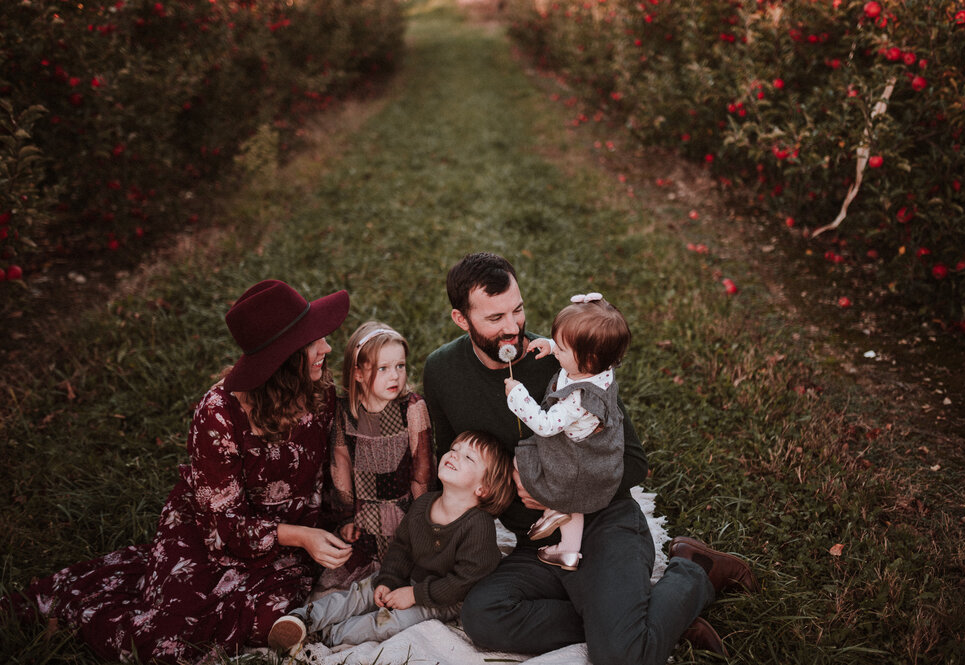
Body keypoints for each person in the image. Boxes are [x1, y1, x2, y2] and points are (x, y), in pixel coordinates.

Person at [422, 252, 759, 663]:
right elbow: (447, 461)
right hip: (539, 542)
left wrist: (560, 495)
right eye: (495, 319)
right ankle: (644, 618)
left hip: (603, 521)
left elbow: (633, 461)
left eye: (518, 310)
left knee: (618, 658)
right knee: (483, 617)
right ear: (462, 319)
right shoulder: (441, 370)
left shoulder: (570, 356)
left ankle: (694, 570)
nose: (513, 328)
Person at [4, 280, 355, 664]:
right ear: (282, 357)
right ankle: (76, 606)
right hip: (214, 534)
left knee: (264, 618)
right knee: (168, 638)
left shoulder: (318, 391)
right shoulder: (218, 413)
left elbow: (334, 465)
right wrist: (301, 536)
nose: (327, 347)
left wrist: (335, 521)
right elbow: (222, 520)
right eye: (313, 341)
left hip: (290, 536)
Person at [267, 430, 515, 653]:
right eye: (454, 449)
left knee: (389, 623)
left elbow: (464, 581)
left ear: (484, 488)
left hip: (445, 597)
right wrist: (389, 580)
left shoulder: (478, 525)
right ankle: (302, 619)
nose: (454, 455)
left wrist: (415, 595)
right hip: (412, 579)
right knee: (361, 592)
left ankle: (323, 636)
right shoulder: (424, 505)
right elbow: (402, 550)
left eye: (469, 458)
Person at [503, 292, 631, 571]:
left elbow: (545, 425)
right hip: (597, 456)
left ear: (587, 358)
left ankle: (553, 508)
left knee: (522, 460)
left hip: (572, 461)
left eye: (561, 348)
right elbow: (578, 348)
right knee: (578, 504)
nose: (556, 351)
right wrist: (551, 346)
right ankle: (569, 552)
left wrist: (518, 396)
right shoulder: (599, 367)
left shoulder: (577, 399)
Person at [321, 322, 435, 588]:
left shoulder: (412, 408)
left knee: (409, 574)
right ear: (358, 374)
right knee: (344, 581)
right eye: (383, 369)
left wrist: (422, 520)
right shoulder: (345, 411)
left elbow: (423, 469)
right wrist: (347, 517)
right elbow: (341, 463)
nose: (394, 376)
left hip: (404, 515)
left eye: (400, 366)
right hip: (364, 516)